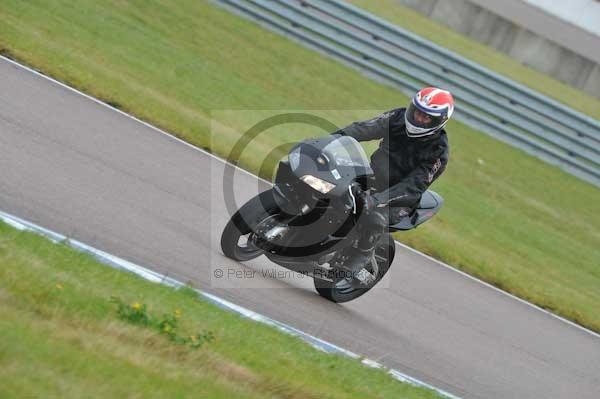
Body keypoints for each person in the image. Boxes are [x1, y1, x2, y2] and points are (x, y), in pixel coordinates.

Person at [332, 87, 454, 281]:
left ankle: (362, 255)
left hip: (400, 197)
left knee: (374, 216)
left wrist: (378, 200)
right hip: (372, 175)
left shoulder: (438, 150)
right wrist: (333, 139)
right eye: (418, 112)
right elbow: (365, 128)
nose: (419, 119)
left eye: (426, 117)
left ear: (439, 121)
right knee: (332, 182)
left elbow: (413, 186)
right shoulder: (397, 117)